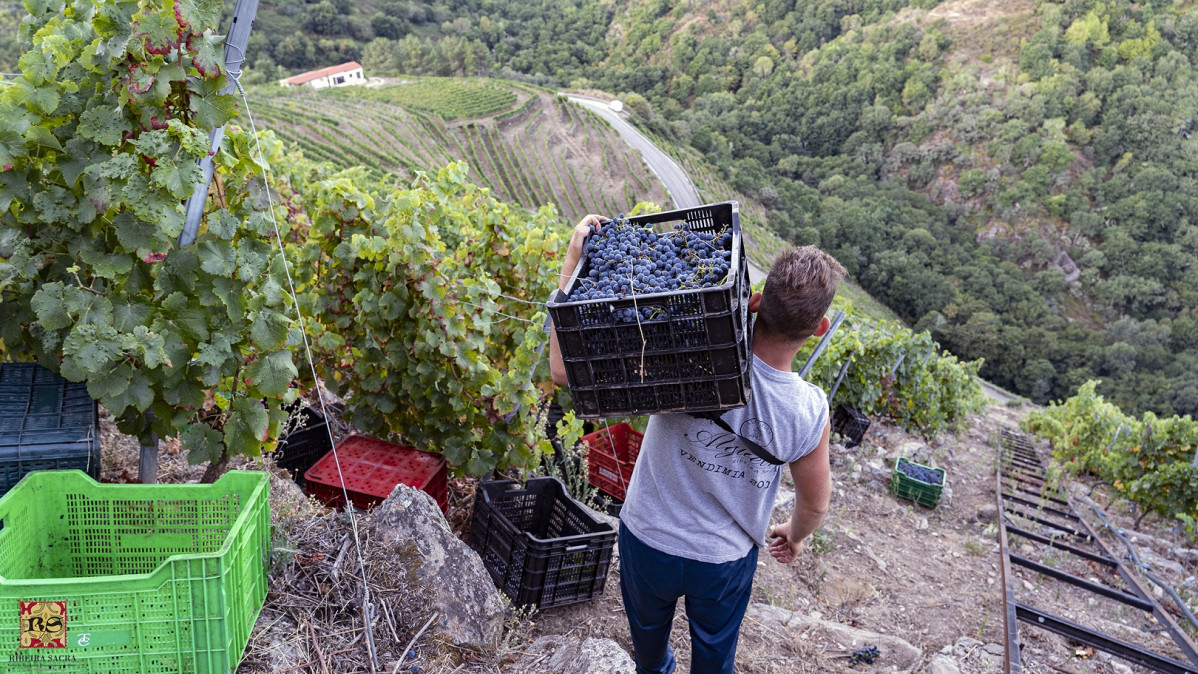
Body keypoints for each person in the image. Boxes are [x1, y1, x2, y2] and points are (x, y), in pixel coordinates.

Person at [548, 214, 844, 674]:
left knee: (647, 646)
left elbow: (564, 371)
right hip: (722, 560)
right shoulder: (808, 411)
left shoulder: (685, 348)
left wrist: (573, 258)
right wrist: (796, 534)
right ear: (820, 327)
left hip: (648, 536)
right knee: (714, 658)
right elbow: (816, 503)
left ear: (754, 303)